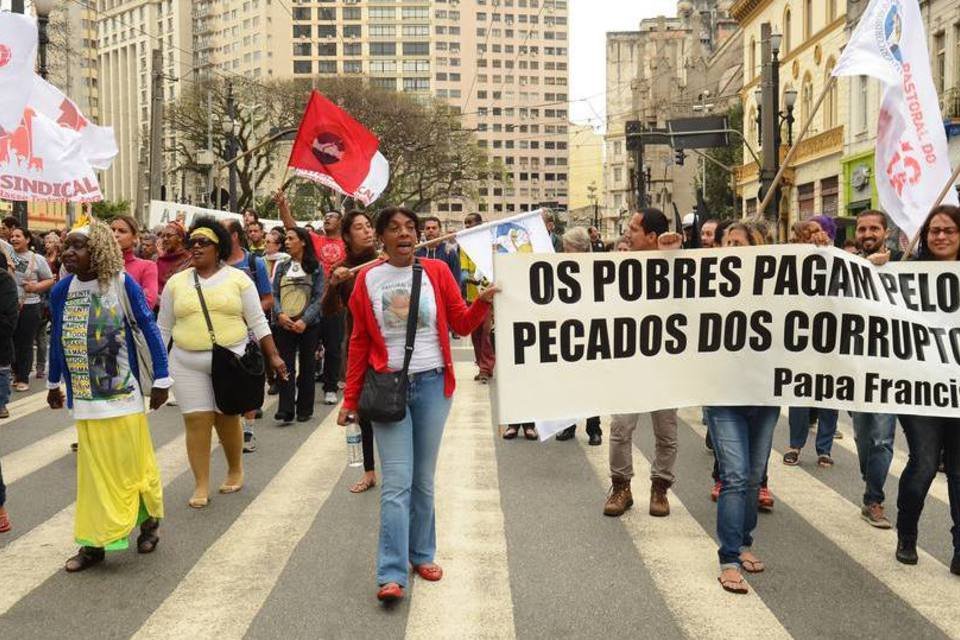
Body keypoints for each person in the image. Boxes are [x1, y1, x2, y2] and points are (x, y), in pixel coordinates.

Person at [337, 207, 496, 602]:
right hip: (387, 390)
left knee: (423, 481)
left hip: (432, 385)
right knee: (396, 484)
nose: (405, 234)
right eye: (394, 229)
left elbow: (460, 323)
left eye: (410, 227)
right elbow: (358, 342)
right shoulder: (368, 280)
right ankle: (391, 572)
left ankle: (422, 554)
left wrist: (485, 302)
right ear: (381, 238)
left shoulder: (437, 273)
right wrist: (350, 399)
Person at [46, 217, 171, 572]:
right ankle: (94, 543)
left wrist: (162, 379)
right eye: (67, 246)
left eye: (77, 246)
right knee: (94, 474)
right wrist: (54, 382)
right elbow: (57, 338)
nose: (68, 252)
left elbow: (148, 325)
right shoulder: (61, 290)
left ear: (97, 249)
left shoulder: (120, 284)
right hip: (85, 399)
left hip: (123, 396)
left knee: (131, 467)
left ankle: (148, 523)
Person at [158, 217, 287, 509]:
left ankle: (235, 469)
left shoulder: (238, 279)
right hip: (186, 362)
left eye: (205, 242)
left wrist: (274, 355)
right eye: (193, 243)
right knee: (196, 420)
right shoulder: (177, 283)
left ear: (220, 248)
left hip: (230, 360)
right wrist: (158, 369)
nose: (198, 247)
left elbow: (257, 321)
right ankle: (201, 483)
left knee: (227, 417)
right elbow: (163, 328)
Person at [705, 225, 781, 594]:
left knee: (753, 476)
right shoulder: (707, 285)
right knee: (734, 475)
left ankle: (746, 542)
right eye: (727, 243)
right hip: (723, 397)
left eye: (739, 243)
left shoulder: (777, 289)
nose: (730, 248)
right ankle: (730, 558)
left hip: (765, 396)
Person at [895, 205, 960, 576]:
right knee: (922, 464)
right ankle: (907, 536)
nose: (940, 237)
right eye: (933, 231)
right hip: (920, 389)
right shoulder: (907, 274)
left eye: (948, 230)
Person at [604, 209, 679, 519]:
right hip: (629, 362)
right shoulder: (618, 268)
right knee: (621, 428)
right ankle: (621, 487)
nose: (627, 233)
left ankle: (660, 486)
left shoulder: (677, 266)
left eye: (633, 229)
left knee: (667, 432)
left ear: (651, 237)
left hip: (666, 364)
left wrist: (673, 254)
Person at [319, 207, 380, 494]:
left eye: (369, 225)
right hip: (360, 350)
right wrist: (333, 285)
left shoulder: (387, 261)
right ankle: (369, 471)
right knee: (363, 413)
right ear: (346, 235)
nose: (367, 231)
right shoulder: (343, 269)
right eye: (359, 227)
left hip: (392, 348)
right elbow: (329, 309)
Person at [848, 210, 899, 529]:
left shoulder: (903, 267)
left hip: (890, 371)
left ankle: (874, 500)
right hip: (853, 370)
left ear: (885, 232)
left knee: (881, 438)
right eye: (863, 228)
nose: (868, 233)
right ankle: (871, 479)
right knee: (864, 437)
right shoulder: (845, 265)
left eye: (874, 228)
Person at [783, 214, 840, 468]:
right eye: (809, 231)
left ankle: (824, 449)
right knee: (800, 394)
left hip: (831, 338)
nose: (815, 235)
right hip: (800, 337)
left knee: (829, 394)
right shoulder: (792, 257)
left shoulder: (838, 259)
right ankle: (795, 445)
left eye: (819, 230)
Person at [277, 204, 346, 406]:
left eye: (332, 216)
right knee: (309, 351)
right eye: (325, 216)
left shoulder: (347, 244)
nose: (327, 219)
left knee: (333, 347)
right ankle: (301, 387)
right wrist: (283, 207)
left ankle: (330, 387)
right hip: (311, 304)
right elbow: (292, 227)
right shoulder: (315, 239)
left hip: (336, 303)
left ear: (341, 222)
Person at [222, 218, 274, 451]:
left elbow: (268, 298)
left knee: (248, 380)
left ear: (233, 236)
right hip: (220, 334)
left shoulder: (255, 263)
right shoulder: (214, 264)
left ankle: (248, 433)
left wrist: (247, 314)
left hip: (249, 334)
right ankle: (230, 430)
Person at [553, 227, 602, 446]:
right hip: (567, 331)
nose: (564, 252)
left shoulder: (598, 269)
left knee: (592, 384)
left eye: (567, 248)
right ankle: (568, 425)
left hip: (592, 332)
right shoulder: (559, 268)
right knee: (568, 383)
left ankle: (594, 428)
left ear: (580, 248)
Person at [272, 227, 325, 423]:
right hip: (285, 324)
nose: (287, 242)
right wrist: (280, 314)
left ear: (303, 241)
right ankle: (285, 408)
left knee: (307, 366)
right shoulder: (282, 266)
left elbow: (319, 298)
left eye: (291, 238)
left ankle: (304, 408)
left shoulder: (316, 267)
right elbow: (274, 294)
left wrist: (305, 320)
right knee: (285, 366)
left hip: (308, 325)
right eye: (285, 239)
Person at [10, 227, 56, 392]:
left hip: (30, 305)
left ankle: (23, 378)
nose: (14, 239)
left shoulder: (37, 259)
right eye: (12, 236)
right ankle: (15, 373)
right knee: (11, 341)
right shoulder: (7, 255)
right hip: (9, 306)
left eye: (18, 236)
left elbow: (50, 279)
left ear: (27, 239)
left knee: (26, 342)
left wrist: (35, 287)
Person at [460, 213, 495, 383]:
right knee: (476, 334)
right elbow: (464, 269)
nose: (467, 226)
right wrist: (466, 276)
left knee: (486, 332)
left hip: (488, 295)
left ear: (479, 224)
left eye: (470, 223)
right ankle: (480, 363)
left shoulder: (490, 242)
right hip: (472, 295)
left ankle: (486, 368)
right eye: (465, 223)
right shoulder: (465, 246)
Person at [111, 216, 159, 310]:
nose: (115, 234)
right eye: (112, 230)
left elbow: (147, 303)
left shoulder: (147, 266)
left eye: (122, 231)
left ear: (135, 238)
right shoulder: (99, 265)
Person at [415, 216, 461, 283]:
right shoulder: (417, 253)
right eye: (428, 228)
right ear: (424, 231)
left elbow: (456, 280)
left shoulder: (449, 252)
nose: (431, 230)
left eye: (434, 228)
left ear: (440, 230)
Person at [156, 221, 191, 299]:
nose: (165, 239)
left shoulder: (188, 261)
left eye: (169, 236)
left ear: (180, 238)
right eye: (163, 236)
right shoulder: (159, 260)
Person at [0, 252, 16, 420]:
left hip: (1, 333)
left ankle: (1, 403)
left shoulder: (4, 280)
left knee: (1, 369)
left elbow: (9, 315)